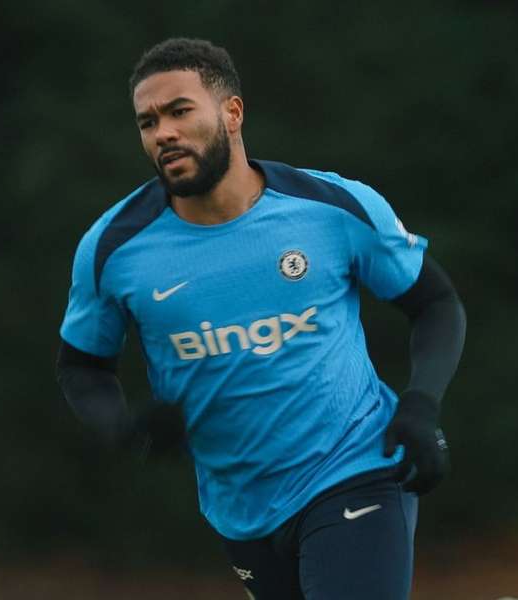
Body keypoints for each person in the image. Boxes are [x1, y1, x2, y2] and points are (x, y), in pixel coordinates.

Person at [56, 37, 466, 600]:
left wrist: (421, 405)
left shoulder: (333, 208)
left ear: (232, 112)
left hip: (356, 469)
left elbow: (436, 304)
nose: (163, 133)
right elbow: (81, 367)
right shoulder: (112, 248)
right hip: (240, 509)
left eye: (180, 111)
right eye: (147, 122)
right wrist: (123, 426)